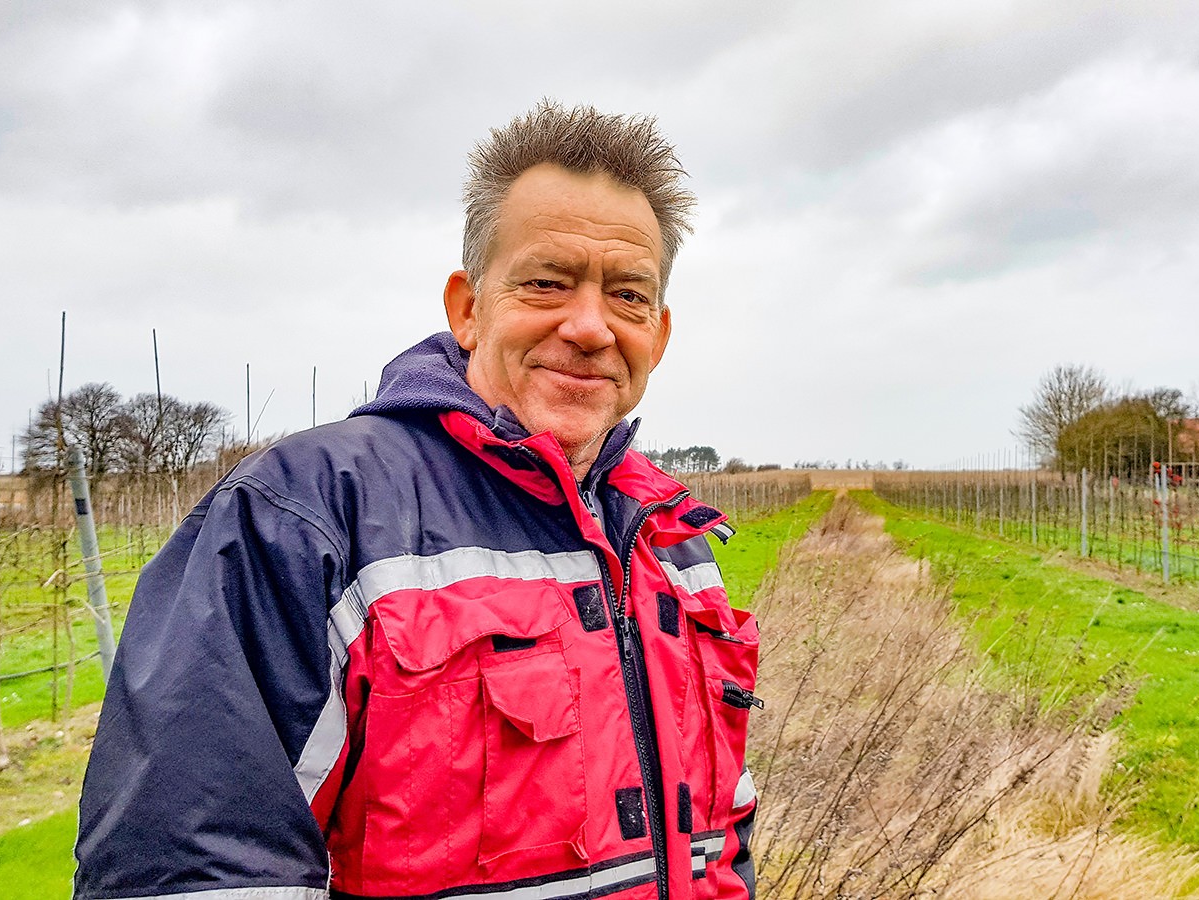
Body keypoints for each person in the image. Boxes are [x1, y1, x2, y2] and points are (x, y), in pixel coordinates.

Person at [74, 100, 760, 900]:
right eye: (546, 282)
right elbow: (194, 870)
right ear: (468, 308)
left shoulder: (673, 544)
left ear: (660, 333)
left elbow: (721, 839)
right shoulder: (307, 517)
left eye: (628, 296)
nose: (589, 326)